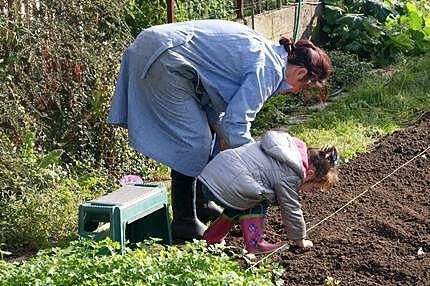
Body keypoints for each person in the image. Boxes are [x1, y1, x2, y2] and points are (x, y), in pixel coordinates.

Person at [108, 19, 332, 240]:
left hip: (162, 49)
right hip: (165, 58)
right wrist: (253, 170)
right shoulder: (270, 69)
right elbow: (236, 123)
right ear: (302, 74)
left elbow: (217, 101)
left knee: (210, 136)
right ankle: (184, 221)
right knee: (195, 142)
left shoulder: (269, 55)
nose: (296, 91)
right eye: (304, 87)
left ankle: (202, 204)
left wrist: (224, 137)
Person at [199, 130, 339, 254]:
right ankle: (256, 245)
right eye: (313, 187)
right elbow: (291, 208)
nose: (309, 191)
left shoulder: (284, 149)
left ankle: (212, 237)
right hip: (229, 185)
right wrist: (300, 239)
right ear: (309, 173)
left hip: (212, 177)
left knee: (244, 200)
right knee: (261, 199)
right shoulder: (292, 173)